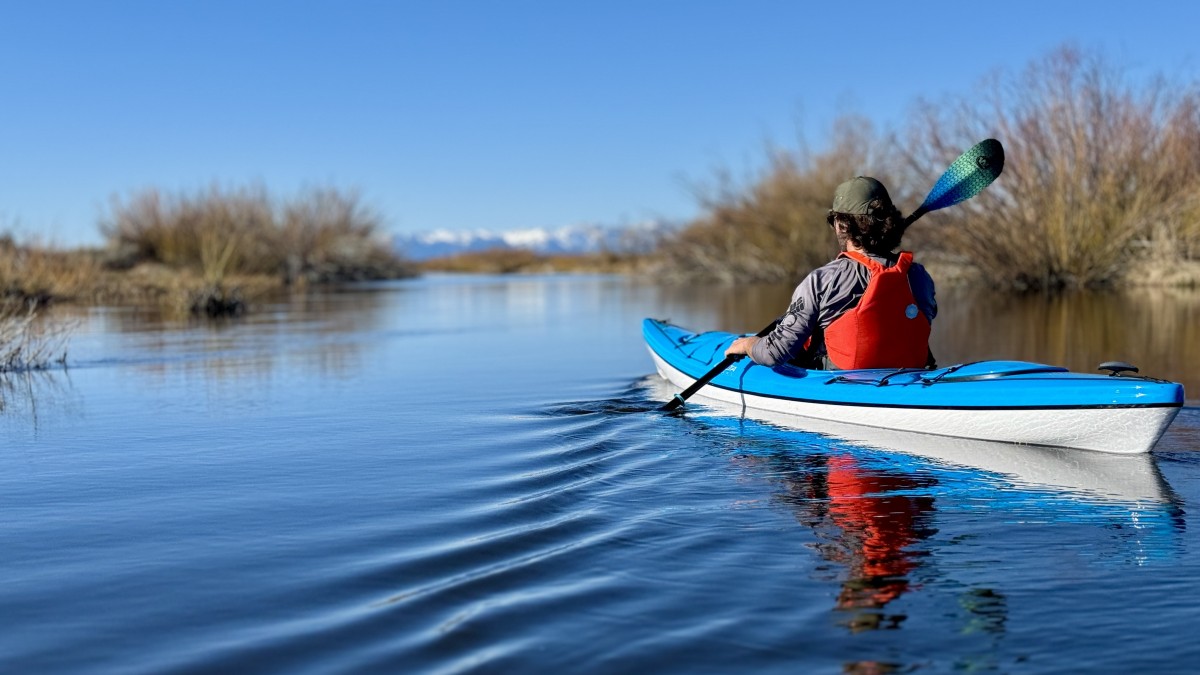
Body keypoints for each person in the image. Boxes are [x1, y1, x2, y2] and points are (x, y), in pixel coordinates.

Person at [725, 176, 936, 370]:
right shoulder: (919, 276)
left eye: (833, 220)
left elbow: (775, 352)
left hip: (844, 385)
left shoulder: (822, 280)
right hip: (909, 379)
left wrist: (749, 344)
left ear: (842, 225)